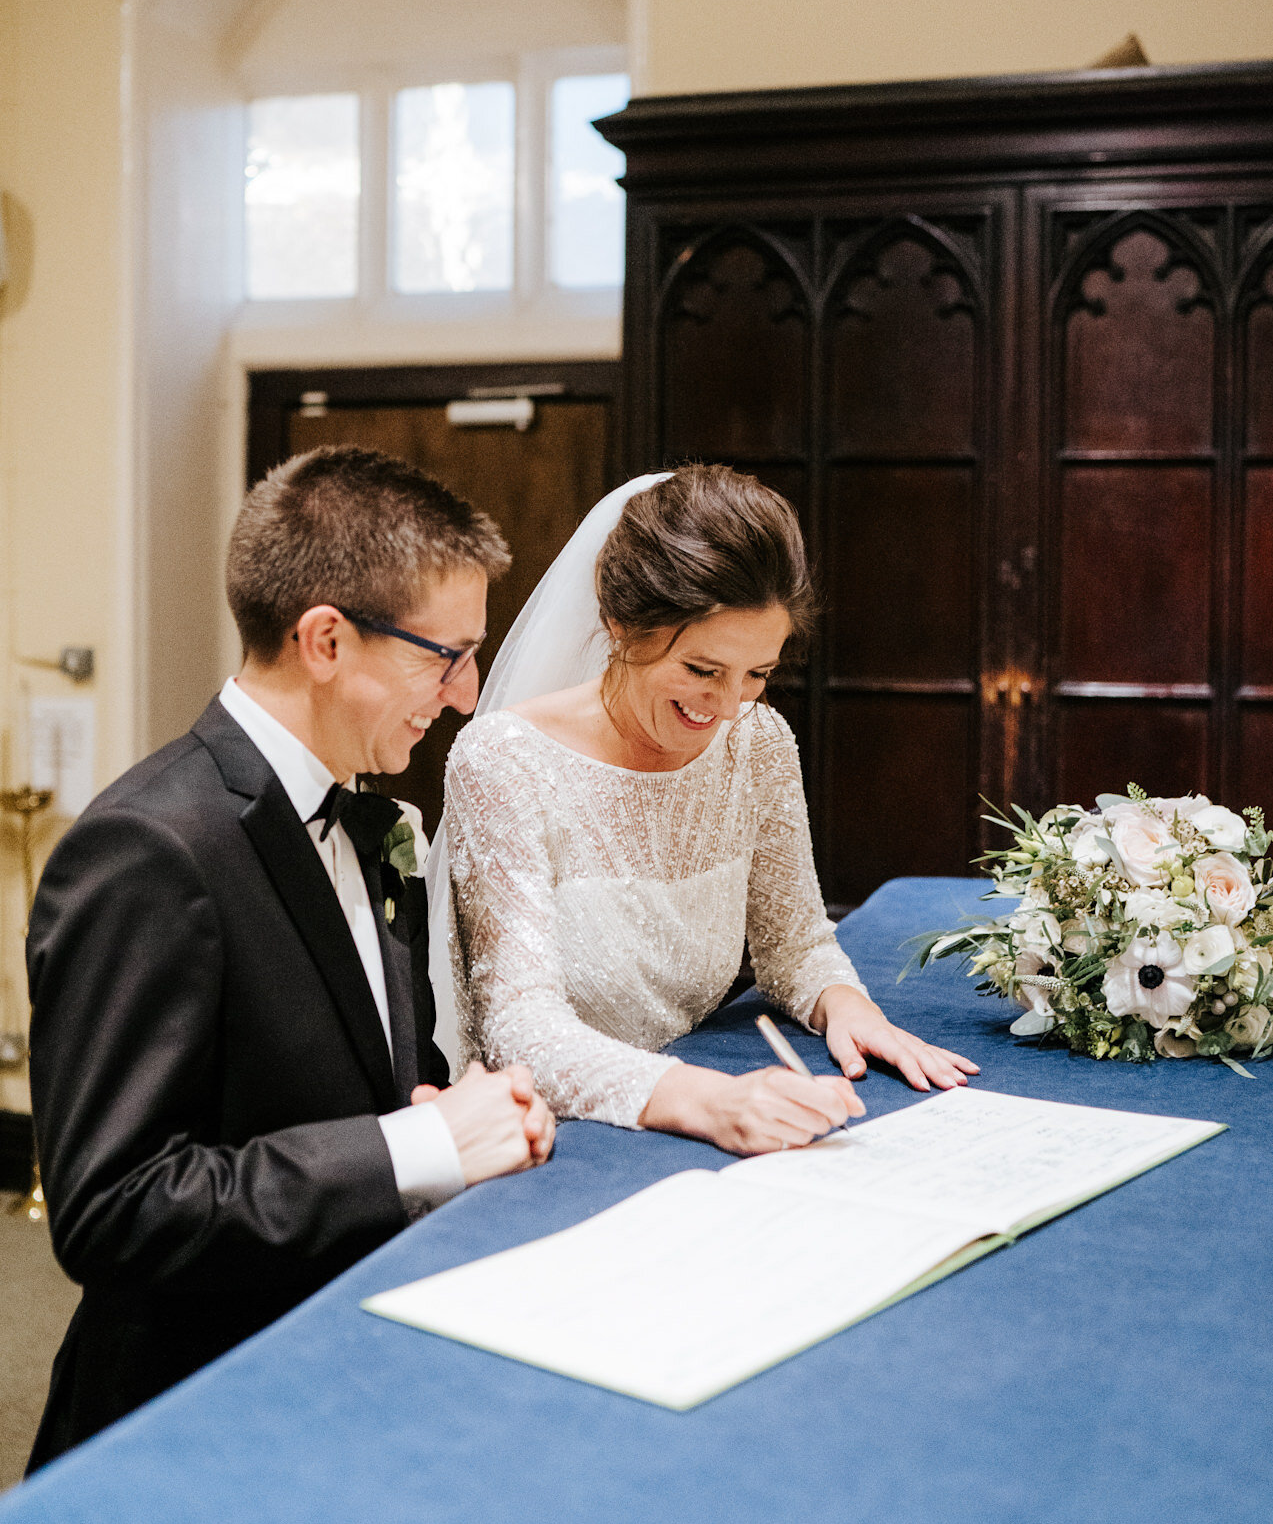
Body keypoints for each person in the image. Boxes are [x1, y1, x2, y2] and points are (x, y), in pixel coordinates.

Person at [25, 446, 553, 1470]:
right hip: (183, 1417)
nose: (465, 691)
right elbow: (111, 1207)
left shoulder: (375, 817)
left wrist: (455, 1107)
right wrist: (422, 1147)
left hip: (340, 1368)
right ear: (325, 639)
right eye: (446, 654)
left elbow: (364, 1070)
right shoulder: (147, 848)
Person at [435, 465, 977, 1154]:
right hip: (557, 1136)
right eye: (701, 670)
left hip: (701, 1110)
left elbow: (793, 945)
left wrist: (846, 1005)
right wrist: (710, 1100)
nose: (727, 708)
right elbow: (521, 1028)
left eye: (757, 673)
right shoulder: (505, 761)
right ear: (620, 626)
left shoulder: (757, 743)